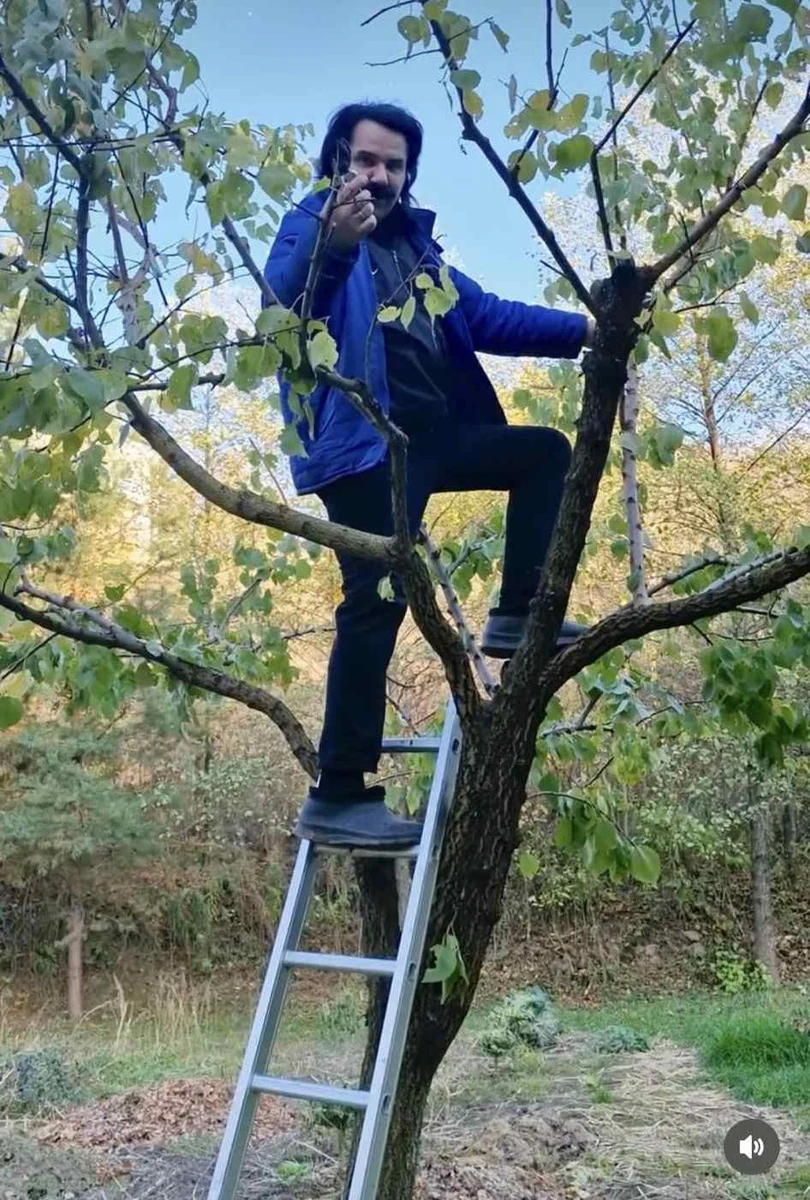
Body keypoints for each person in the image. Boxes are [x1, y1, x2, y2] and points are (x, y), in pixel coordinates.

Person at [263, 102, 594, 850]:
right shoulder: (310, 226)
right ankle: (339, 793)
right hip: (360, 448)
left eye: (393, 165)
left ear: (408, 174)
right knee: (376, 601)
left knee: (542, 453)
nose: (378, 177)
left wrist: (587, 329)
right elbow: (284, 309)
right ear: (337, 160)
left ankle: (516, 612)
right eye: (365, 161)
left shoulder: (418, 252)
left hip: (430, 440)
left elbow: (490, 317)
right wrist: (335, 244)